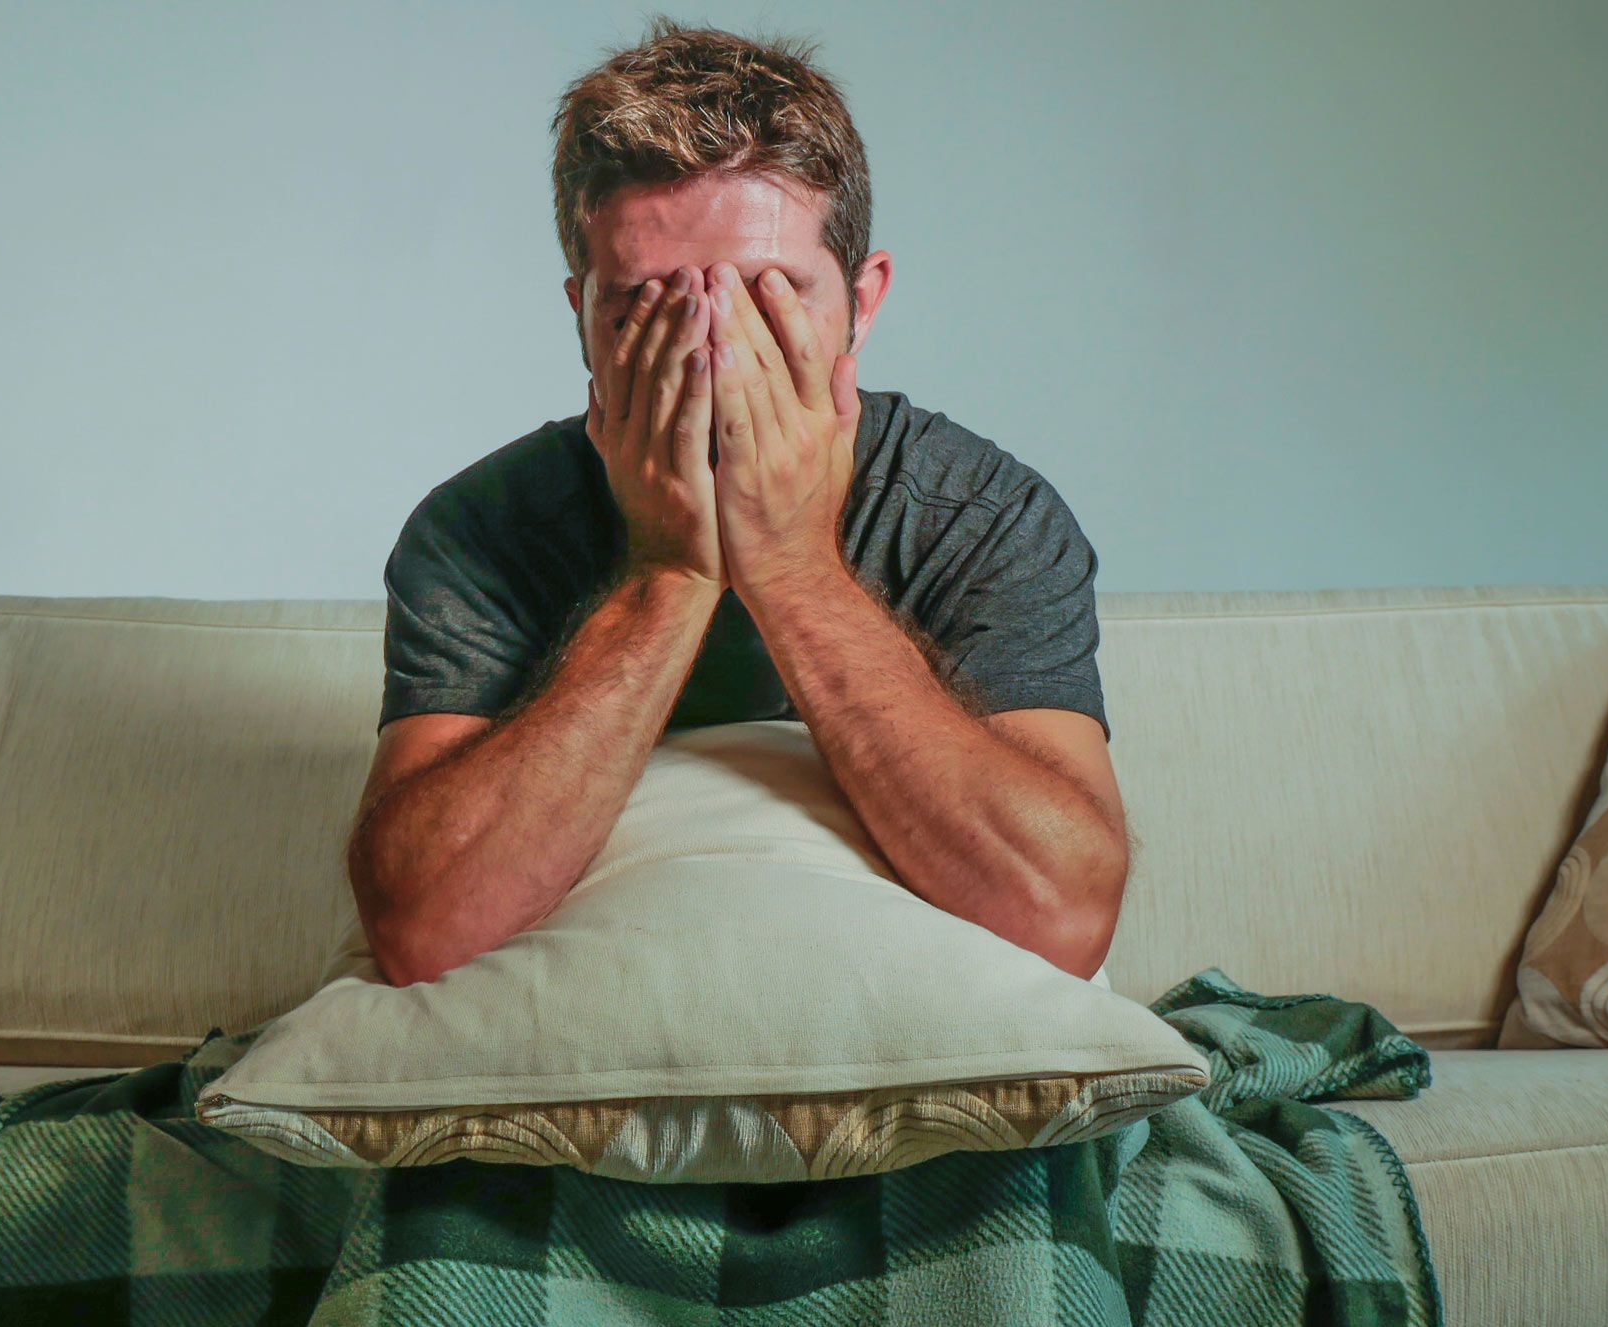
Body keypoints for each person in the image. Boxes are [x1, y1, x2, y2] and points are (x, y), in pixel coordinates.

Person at [345, 17, 1133, 991]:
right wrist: (670, 572)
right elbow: (422, 931)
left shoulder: (980, 516)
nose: (713, 349)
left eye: (768, 296)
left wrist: (791, 562)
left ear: (864, 298)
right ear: (581, 314)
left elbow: (1061, 912)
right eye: (646, 305)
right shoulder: (478, 530)